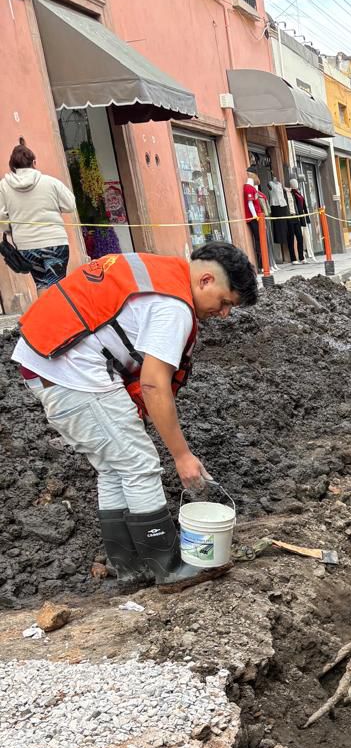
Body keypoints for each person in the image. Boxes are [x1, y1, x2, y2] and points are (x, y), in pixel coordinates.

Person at [12, 242, 258, 591]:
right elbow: (155, 384)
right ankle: (169, 567)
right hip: (73, 373)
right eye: (225, 303)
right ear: (205, 280)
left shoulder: (161, 276)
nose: (224, 314)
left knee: (115, 467)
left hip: (50, 363)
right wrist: (182, 455)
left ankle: (128, 565)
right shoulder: (174, 306)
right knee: (139, 464)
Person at [0, 138, 76, 291]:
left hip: (27, 245)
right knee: (57, 284)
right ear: (34, 162)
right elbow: (70, 205)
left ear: (13, 166)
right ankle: (59, 315)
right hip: (55, 240)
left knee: (41, 284)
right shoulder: (51, 182)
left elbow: (1, 216)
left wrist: (11, 227)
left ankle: (46, 315)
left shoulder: (3, 186)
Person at [243, 167, 267, 272]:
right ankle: (261, 265)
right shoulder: (248, 188)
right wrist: (255, 216)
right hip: (254, 218)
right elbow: (250, 203)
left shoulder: (251, 188)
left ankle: (264, 264)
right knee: (258, 241)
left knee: (260, 240)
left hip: (257, 217)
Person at [286, 177, 306, 264]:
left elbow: (300, 203)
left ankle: (301, 257)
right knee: (290, 238)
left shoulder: (295, 193)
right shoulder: (284, 193)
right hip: (289, 217)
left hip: (296, 216)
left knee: (300, 238)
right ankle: (293, 259)